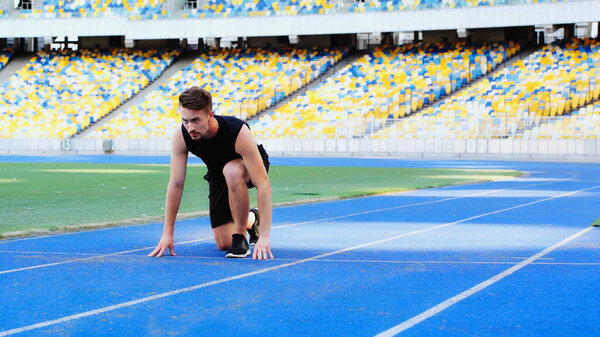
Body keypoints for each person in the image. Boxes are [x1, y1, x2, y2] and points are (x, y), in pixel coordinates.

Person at [148, 86, 274, 260]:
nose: (190, 127)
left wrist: (266, 236)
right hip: (218, 174)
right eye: (185, 121)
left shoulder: (237, 131)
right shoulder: (181, 136)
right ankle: (251, 220)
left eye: (196, 120)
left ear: (210, 115)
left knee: (231, 170)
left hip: (248, 167)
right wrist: (167, 233)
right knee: (223, 242)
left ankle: (240, 238)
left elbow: (263, 185)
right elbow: (176, 183)